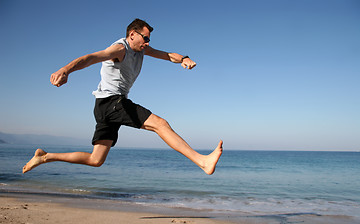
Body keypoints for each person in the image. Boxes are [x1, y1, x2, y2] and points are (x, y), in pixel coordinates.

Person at [22, 18, 223, 175]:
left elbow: (167, 55)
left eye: (149, 39)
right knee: (160, 124)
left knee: (96, 160)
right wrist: (66, 69)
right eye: (145, 38)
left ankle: (45, 157)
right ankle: (202, 161)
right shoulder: (120, 48)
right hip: (112, 102)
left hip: (104, 106)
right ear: (132, 34)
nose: (147, 42)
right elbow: (91, 58)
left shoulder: (142, 50)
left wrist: (184, 59)